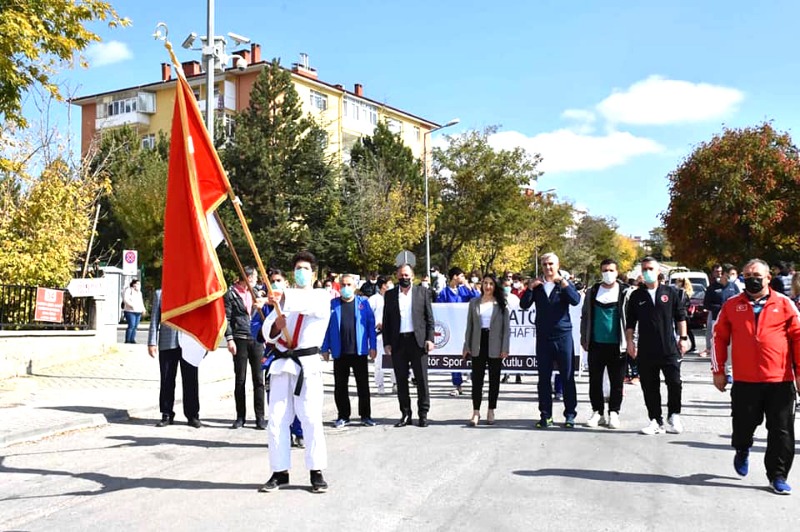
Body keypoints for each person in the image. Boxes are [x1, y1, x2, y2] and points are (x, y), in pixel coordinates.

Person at [712, 258, 800, 495]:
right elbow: (718, 337)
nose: (752, 280)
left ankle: (777, 475)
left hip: (779, 380)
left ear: (768, 278)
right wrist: (718, 371)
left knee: (781, 431)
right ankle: (742, 449)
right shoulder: (732, 305)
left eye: (757, 276)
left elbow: (798, 338)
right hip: (745, 381)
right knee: (743, 426)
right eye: (748, 276)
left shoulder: (785, 304)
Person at [260, 251, 332, 493]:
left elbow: (306, 305)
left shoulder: (320, 296)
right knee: (277, 419)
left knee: (310, 418)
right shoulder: (283, 301)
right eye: (298, 269)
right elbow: (267, 330)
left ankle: (316, 471)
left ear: (313, 273)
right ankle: (280, 472)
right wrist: (275, 326)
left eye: (306, 269)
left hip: (306, 365)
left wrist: (282, 299)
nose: (301, 272)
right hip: (282, 365)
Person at [625, 256, 690, 435]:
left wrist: (683, 338)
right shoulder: (637, 296)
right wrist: (630, 342)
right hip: (646, 348)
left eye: (651, 269)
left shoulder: (670, 292)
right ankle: (655, 420)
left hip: (668, 347)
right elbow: (630, 322)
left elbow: (681, 317)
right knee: (649, 385)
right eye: (644, 269)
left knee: (674, 382)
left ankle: (674, 415)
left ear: (658, 272)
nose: (647, 272)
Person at [520, 252, 581, 428]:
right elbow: (524, 305)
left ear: (558, 265)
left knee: (567, 376)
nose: (548, 267)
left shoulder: (564, 283)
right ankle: (545, 415)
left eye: (551, 264)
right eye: (545, 264)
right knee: (544, 378)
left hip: (563, 336)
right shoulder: (537, 285)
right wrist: (530, 288)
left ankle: (570, 415)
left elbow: (575, 300)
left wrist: (564, 284)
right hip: (543, 338)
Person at [580, 258, 632, 429]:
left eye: (611, 270)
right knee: (595, 381)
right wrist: (584, 338)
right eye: (604, 270)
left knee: (617, 382)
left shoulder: (625, 292)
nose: (608, 273)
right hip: (596, 344)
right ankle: (598, 413)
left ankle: (614, 413)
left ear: (617, 272)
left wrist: (632, 341)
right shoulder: (593, 291)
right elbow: (585, 315)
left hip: (618, 345)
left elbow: (632, 319)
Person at [321, 273, 378, 428]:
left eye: (349, 285)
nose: (345, 288)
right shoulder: (333, 304)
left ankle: (365, 416)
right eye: (343, 285)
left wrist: (373, 346)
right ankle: (343, 416)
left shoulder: (363, 304)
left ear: (355, 287)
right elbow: (325, 328)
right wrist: (325, 348)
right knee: (340, 386)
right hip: (340, 352)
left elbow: (370, 326)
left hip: (359, 351)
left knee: (363, 385)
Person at [383, 263, 435, 428]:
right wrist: (387, 343)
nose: (403, 278)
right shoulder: (390, 295)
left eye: (406, 275)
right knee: (401, 380)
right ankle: (405, 414)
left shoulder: (422, 292)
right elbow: (386, 321)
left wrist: (430, 339)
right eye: (401, 275)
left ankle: (423, 414)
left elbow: (429, 319)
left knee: (421, 379)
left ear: (412, 276)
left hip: (417, 342)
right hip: (398, 342)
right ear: (396, 276)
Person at [147, 288, 201, 428]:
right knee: (167, 380)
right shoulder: (160, 294)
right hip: (167, 343)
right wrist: (152, 342)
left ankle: (192, 415)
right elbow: (154, 320)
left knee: (191, 380)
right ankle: (166, 413)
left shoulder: (192, 292)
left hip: (188, 343)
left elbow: (200, 318)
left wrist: (202, 343)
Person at [463, 274, 510, 426]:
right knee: (477, 380)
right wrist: (466, 346)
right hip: (478, 343)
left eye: (491, 284)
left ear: (495, 286)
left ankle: (491, 410)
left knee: (494, 380)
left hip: (495, 344)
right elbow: (469, 326)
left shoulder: (501, 303)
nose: (488, 286)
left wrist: (505, 347)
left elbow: (506, 329)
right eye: (485, 283)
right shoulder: (474, 302)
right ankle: (476, 411)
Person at [225, 266, 267, 430]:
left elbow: (264, 316)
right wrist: (230, 339)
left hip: (256, 339)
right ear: (247, 277)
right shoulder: (231, 293)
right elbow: (227, 318)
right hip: (240, 338)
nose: (256, 279)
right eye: (254, 276)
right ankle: (240, 416)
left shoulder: (257, 293)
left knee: (259, 379)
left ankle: (260, 417)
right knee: (240, 379)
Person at [437, 267, 480, 396]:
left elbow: (477, 298)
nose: (463, 278)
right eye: (461, 276)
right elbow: (439, 309)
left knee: (473, 356)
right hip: (452, 329)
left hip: (467, 328)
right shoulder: (444, 293)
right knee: (455, 356)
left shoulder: (464, 290)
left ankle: (476, 385)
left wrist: (469, 287)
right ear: (455, 277)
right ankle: (457, 385)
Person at [702, 263, 740, 359]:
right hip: (717, 319)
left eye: (732, 274)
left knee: (731, 344)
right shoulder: (712, 288)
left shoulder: (734, 287)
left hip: (732, 319)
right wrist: (721, 308)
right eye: (728, 274)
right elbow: (706, 304)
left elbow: (740, 301)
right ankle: (717, 359)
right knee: (718, 343)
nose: (730, 277)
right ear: (722, 274)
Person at [368, 277, 396, 394]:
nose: (390, 286)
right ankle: (380, 384)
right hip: (379, 334)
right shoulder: (373, 300)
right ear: (382, 286)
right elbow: (368, 317)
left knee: (394, 360)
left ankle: (395, 383)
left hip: (393, 334)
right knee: (379, 361)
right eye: (388, 284)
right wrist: (376, 324)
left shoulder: (395, 297)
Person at [122, 279, 145, 344]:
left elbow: (141, 301)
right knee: (131, 325)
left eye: (139, 284)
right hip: (130, 311)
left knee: (135, 326)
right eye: (137, 284)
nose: (138, 285)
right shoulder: (128, 290)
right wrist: (132, 305)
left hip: (138, 311)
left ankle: (132, 339)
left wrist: (143, 309)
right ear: (133, 284)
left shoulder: (139, 292)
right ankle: (128, 340)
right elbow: (126, 299)